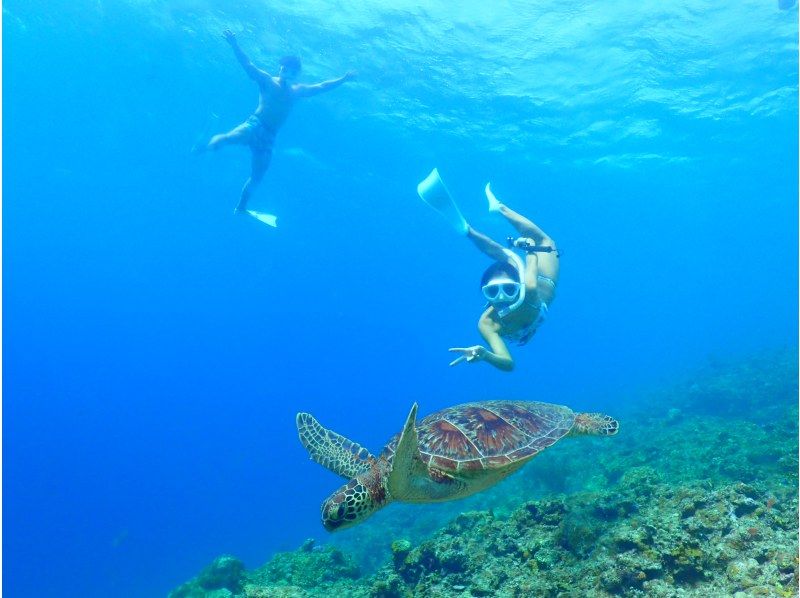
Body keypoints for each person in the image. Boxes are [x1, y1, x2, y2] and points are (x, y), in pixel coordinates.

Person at [199, 30, 356, 214]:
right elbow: (247, 64)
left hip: (270, 137)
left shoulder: (298, 91)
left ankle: (241, 207)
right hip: (254, 124)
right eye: (284, 69)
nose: (286, 73)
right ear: (279, 68)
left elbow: (322, 87)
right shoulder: (267, 81)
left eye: (291, 72)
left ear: (297, 74)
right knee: (228, 139)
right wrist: (234, 44)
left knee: (258, 175)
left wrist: (344, 79)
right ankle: (204, 147)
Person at [417, 170, 560, 372]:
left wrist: (528, 248)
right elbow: (508, 364)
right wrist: (485, 355)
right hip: (536, 297)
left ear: (517, 286)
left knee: (543, 243)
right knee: (507, 257)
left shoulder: (529, 287)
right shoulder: (487, 323)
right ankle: (468, 229)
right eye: (493, 292)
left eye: (509, 290)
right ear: (485, 294)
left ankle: (497, 210)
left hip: (543, 278)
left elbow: (530, 272)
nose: (501, 297)